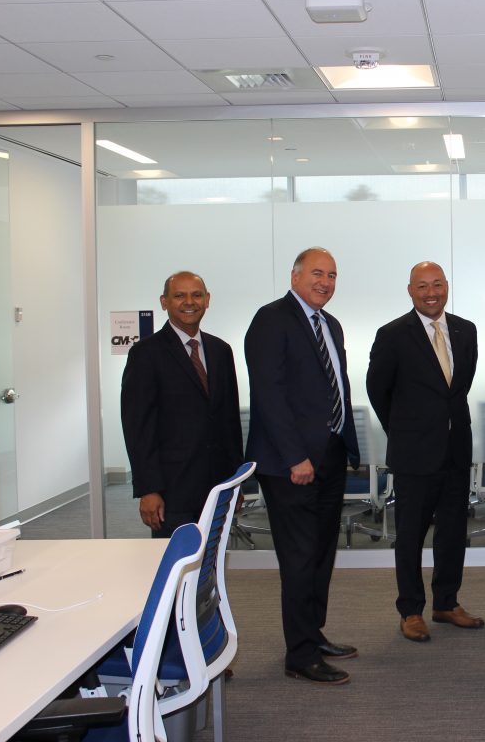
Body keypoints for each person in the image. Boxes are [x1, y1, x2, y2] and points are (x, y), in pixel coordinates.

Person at [244, 248, 360, 685]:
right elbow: (269, 394)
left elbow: (336, 386)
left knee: (321, 554)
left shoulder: (331, 324)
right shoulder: (271, 319)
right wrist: (295, 456)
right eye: (317, 273)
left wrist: (345, 445)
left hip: (329, 456)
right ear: (294, 276)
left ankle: (313, 633)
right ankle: (300, 654)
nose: (325, 282)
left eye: (332, 275)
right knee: (298, 558)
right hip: (290, 463)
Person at [366, 261, 482, 643]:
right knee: (410, 535)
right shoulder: (392, 335)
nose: (431, 293)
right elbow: (378, 389)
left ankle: (446, 602)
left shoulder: (466, 330)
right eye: (422, 286)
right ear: (410, 290)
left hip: (456, 449)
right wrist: (404, 430)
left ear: (447, 286)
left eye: (437, 284)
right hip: (414, 453)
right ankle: (411, 610)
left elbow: (458, 387)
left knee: (452, 532)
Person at [121, 271, 243, 538]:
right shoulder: (145, 354)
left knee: (213, 556)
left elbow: (229, 422)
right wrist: (148, 489)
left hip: (218, 487)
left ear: (207, 300)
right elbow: (138, 428)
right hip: (171, 491)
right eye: (179, 296)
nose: (189, 302)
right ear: (164, 302)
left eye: (196, 295)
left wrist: (235, 482)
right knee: (178, 560)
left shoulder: (221, 351)